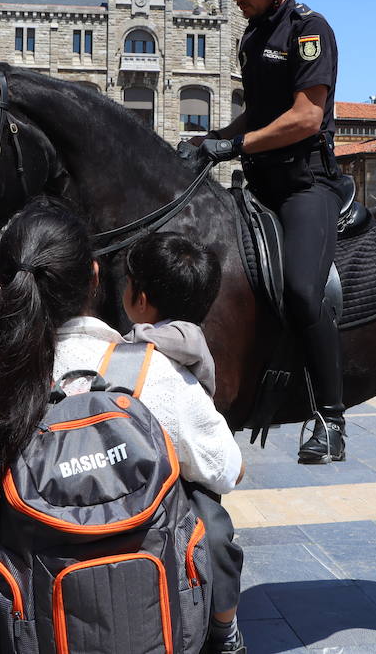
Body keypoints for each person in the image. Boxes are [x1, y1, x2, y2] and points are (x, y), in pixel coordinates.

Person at [0, 203, 242, 652]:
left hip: (31, 626)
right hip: (151, 623)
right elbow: (226, 472)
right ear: (95, 276)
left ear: (4, 283)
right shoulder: (156, 374)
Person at [197, 0, 348, 464]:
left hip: (305, 183)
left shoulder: (309, 30)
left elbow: (306, 117)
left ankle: (331, 418)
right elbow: (259, 116)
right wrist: (208, 141)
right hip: (259, 182)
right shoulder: (252, 35)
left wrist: (234, 145)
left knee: (303, 290)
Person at [121, 231, 246, 653]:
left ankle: (224, 631)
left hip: (164, 474)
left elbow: (227, 470)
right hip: (158, 468)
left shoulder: (165, 345)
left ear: (139, 298)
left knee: (213, 533)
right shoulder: (172, 341)